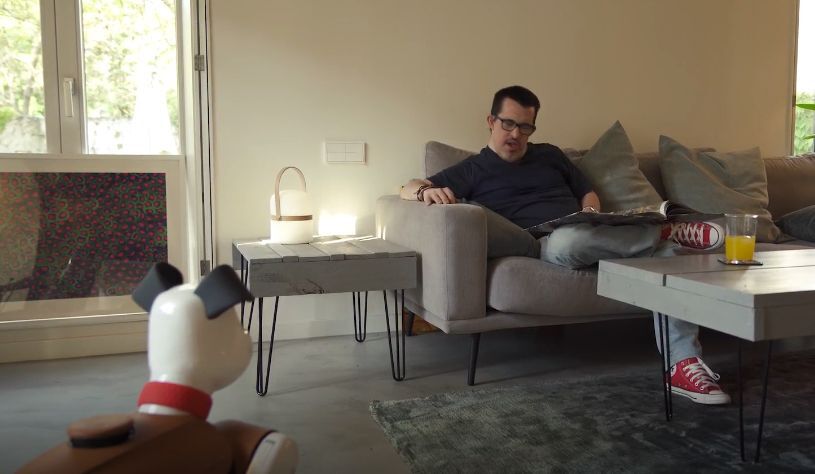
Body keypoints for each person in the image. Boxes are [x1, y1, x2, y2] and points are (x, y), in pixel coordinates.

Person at [399, 85, 730, 405]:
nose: (515, 134)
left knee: (667, 258)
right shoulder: (472, 169)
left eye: (525, 127)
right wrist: (424, 191)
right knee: (563, 239)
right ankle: (666, 233)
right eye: (508, 123)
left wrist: (592, 215)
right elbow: (407, 187)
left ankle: (682, 365)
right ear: (491, 121)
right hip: (539, 242)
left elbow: (588, 192)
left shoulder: (550, 155)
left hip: (588, 231)